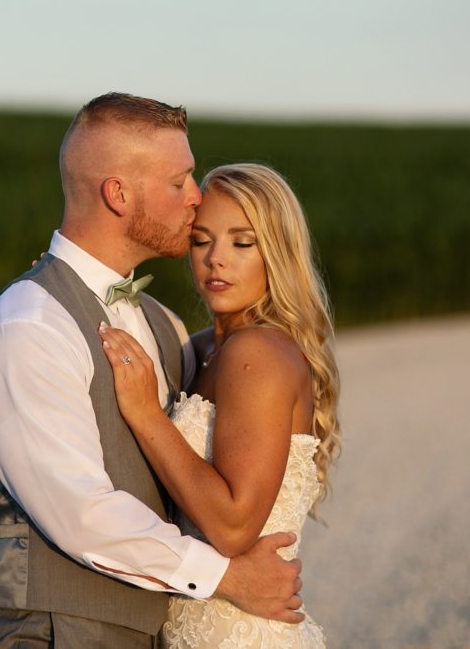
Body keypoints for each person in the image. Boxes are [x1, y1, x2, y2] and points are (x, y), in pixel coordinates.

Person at [0, 94, 305, 648]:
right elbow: (80, 512)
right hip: (49, 632)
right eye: (179, 181)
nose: (196, 198)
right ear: (117, 194)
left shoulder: (162, 324)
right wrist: (228, 577)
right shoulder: (28, 327)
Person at [98, 163, 340, 647]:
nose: (216, 260)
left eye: (242, 242)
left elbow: (232, 527)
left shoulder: (258, 353)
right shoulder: (205, 347)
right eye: (202, 240)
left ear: (277, 251)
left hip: (242, 633)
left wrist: (146, 413)